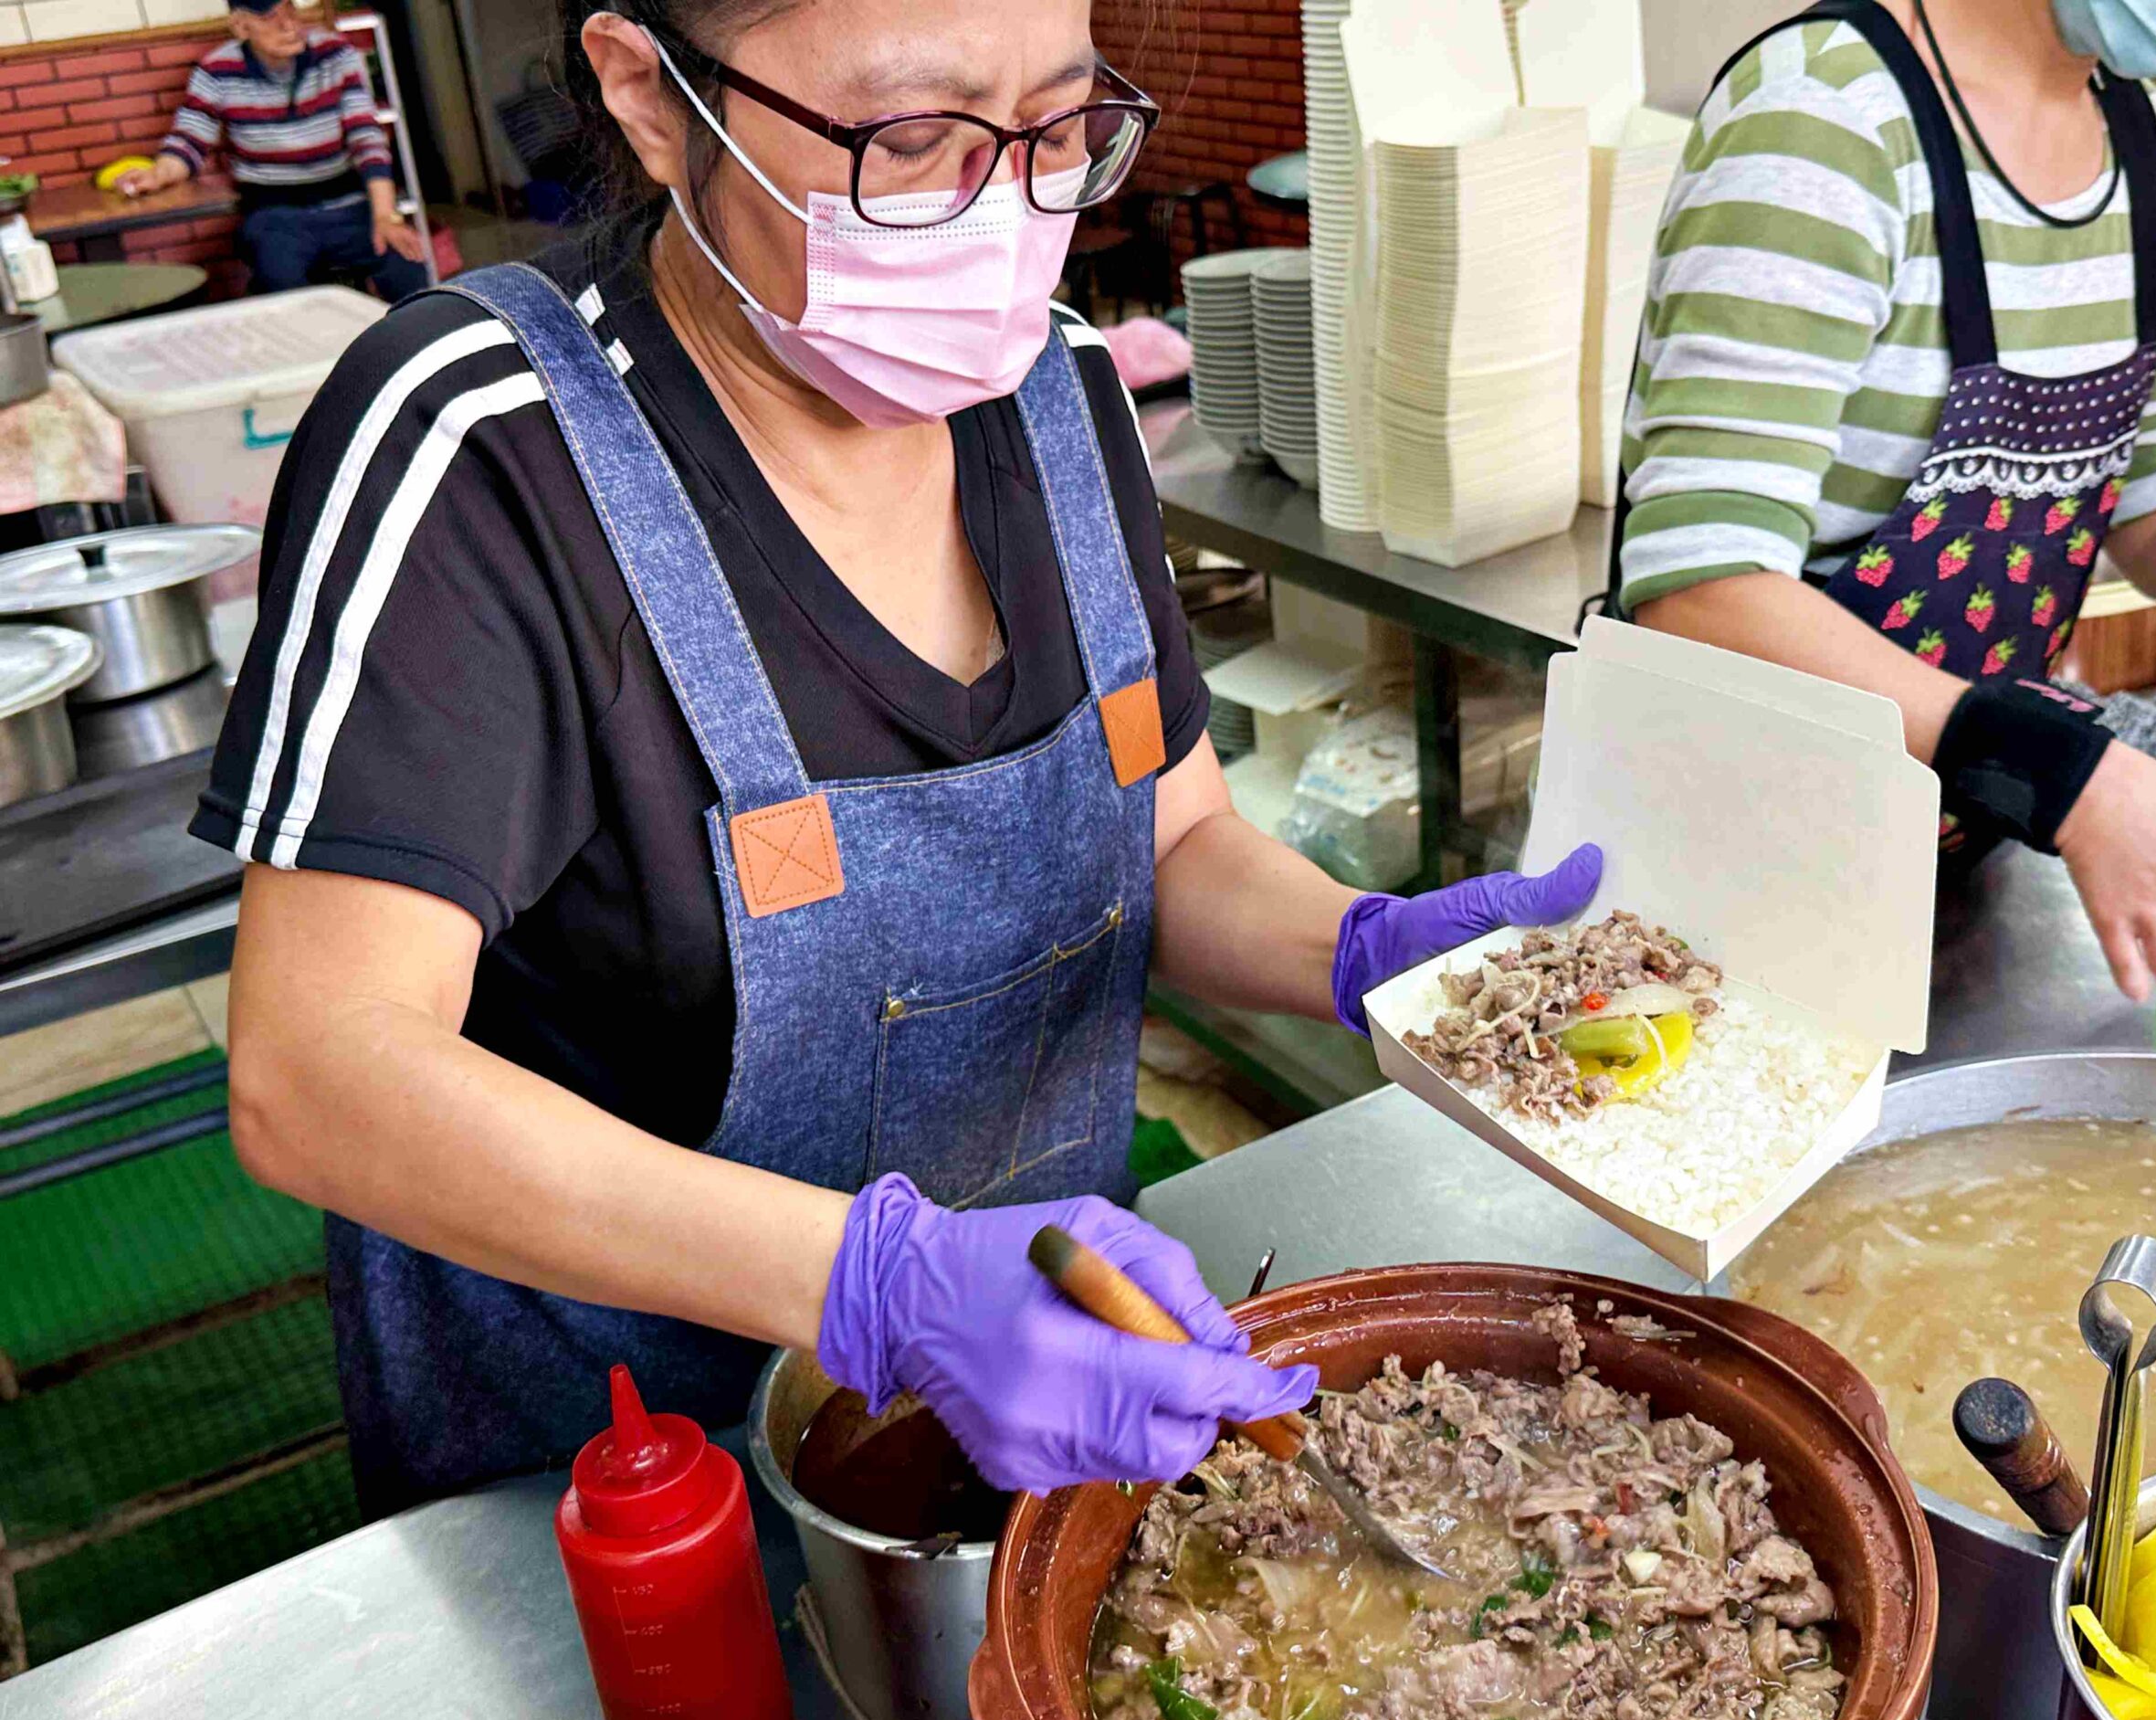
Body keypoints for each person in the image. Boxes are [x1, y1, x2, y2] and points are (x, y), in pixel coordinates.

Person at [194, 0, 1605, 1515]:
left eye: (1058, 129)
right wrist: (883, 1284)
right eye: (914, 137)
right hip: (618, 1484)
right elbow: (318, 1072)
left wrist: (1373, 949)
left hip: (1052, 1381)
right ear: (651, 97)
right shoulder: (483, 440)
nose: (1003, 210)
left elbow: (1174, 842)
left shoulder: (1061, 392)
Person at [1618, 0, 2156, 1006]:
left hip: (1955, 845)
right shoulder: (1830, 115)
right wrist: (2069, 777)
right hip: (1722, 885)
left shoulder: (2145, 143)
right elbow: (1703, 588)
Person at [113, 0, 428, 301]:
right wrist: (158, 174)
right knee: (280, 280)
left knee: (407, 265)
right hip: (275, 214)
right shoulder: (217, 70)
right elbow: (189, 140)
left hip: (349, 205)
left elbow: (367, 138)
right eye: (269, 17)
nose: (289, 25)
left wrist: (386, 215)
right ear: (240, 26)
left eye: (290, 9)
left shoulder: (336, 54)